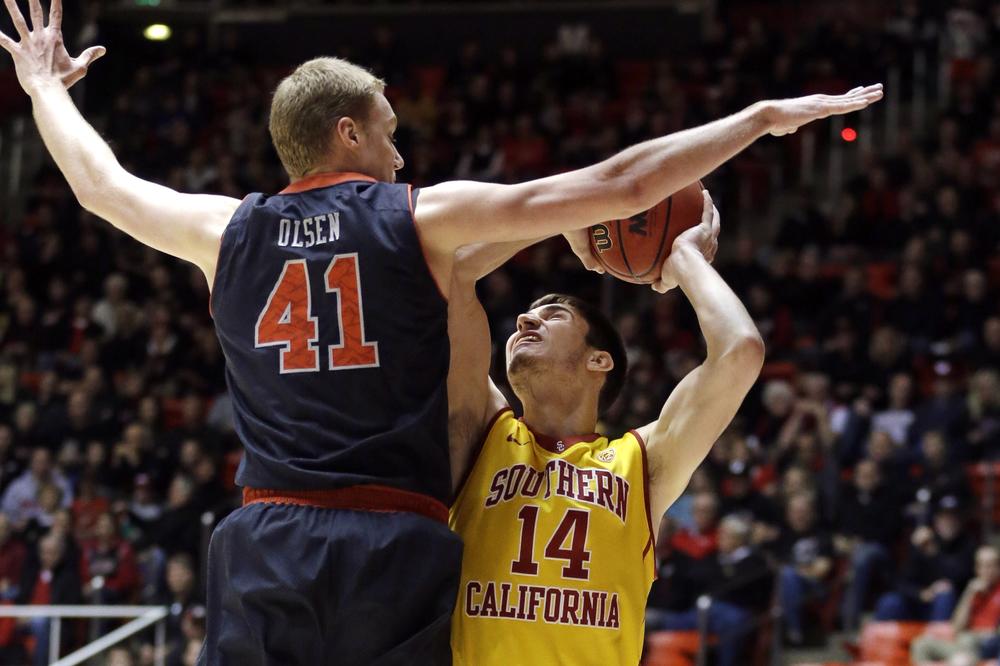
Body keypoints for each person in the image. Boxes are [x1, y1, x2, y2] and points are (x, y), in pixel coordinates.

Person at [0, 1, 882, 662]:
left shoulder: (225, 229)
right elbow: (621, 184)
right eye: (389, 134)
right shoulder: (420, 220)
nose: (400, 154)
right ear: (348, 130)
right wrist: (761, 120)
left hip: (266, 536)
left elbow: (100, 187)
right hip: (391, 538)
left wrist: (42, 87)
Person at [447, 192, 765, 663]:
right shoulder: (482, 431)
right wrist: (564, 214)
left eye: (554, 315)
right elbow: (453, 275)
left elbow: (740, 351)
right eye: (526, 317)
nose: (525, 319)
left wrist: (685, 258)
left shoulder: (641, 462)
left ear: (599, 361)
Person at [910, 545, 1000, 665]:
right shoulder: (973, 589)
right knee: (921, 645)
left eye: (991, 565)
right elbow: (956, 627)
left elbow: (995, 634)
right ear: (976, 569)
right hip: (963, 644)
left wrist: (978, 634)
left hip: (985, 645)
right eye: (982, 566)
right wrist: (969, 594)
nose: (987, 570)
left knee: (967, 641)